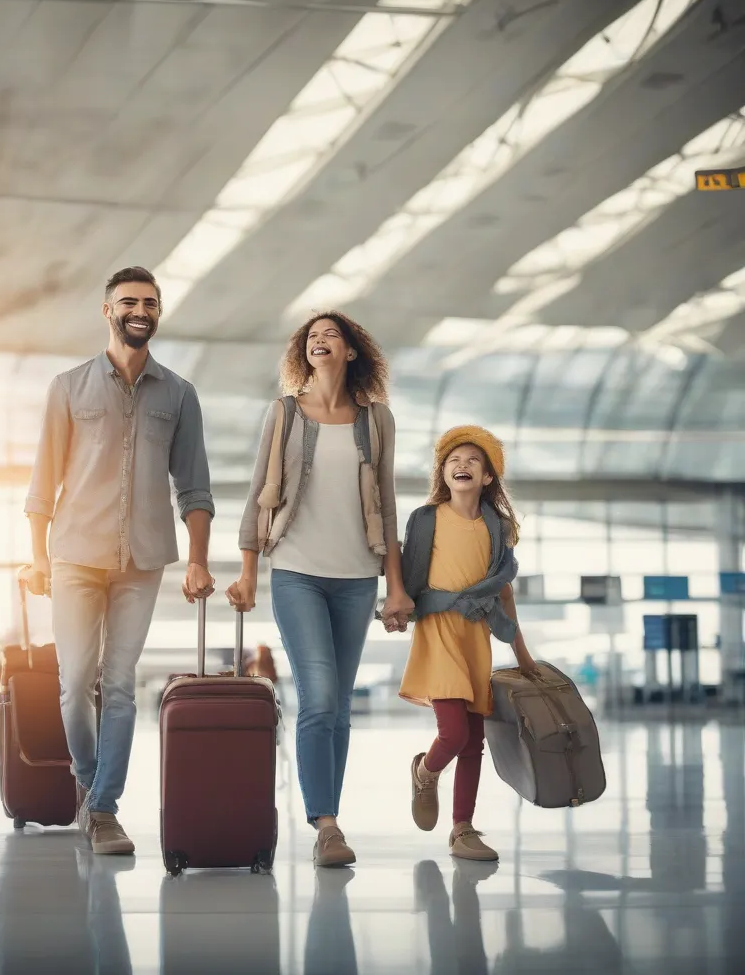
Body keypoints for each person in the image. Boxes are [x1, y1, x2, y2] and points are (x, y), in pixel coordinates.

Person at [25, 266, 215, 855]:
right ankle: (88, 778)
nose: (140, 310)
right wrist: (36, 558)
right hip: (75, 556)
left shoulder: (180, 394)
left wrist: (199, 561)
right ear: (108, 311)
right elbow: (42, 484)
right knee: (75, 680)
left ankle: (104, 809)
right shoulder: (68, 387)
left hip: (144, 560)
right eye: (129, 301)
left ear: (157, 314)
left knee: (121, 684)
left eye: (150, 303)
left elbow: (195, 488)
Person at [227, 312, 413, 868]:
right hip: (297, 571)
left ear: (352, 351)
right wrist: (247, 570)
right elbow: (260, 489)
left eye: (331, 334)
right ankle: (326, 825)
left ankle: (328, 813)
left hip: (357, 577)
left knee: (339, 710)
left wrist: (395, 588)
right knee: (320, 695)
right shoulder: (284, 413)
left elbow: (386, 501)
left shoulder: (376, 420)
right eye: (311, 336)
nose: (319, 339)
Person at [394, 426, 540, 862]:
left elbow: (504, 593)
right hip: (438, 631)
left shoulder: (497, 529)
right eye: (454, 460)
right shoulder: (427, 519)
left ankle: (462, 829)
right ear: (443, 471)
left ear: (488, 478)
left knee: (474, 739)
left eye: (473, 460)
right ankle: (425, 770)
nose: (462, 465)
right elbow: (406, 571)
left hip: (476, 635)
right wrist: (396, 605)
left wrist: (523, 654)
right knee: (454, 733)